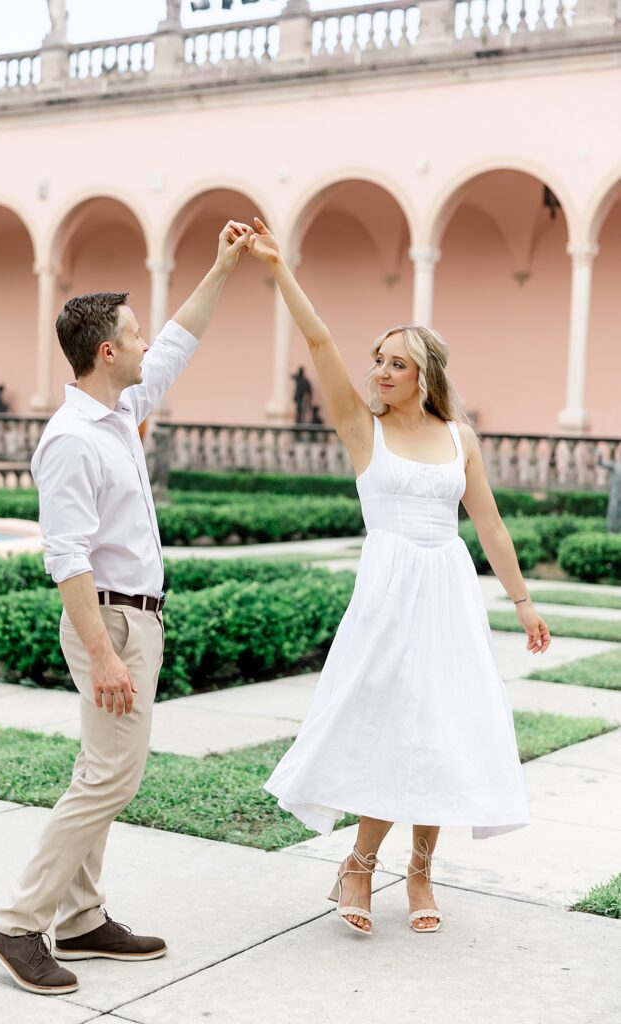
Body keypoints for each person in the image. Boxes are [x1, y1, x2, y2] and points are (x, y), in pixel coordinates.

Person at [244, 217, 551, 937]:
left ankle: (418, 872)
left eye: (396, 363)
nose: (379, 371)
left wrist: (523, 602)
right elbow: (318, 341)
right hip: (386, 597)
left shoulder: (458, 439)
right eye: (377, 359)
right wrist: (277, 265)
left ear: (426, 376)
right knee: (383, 727)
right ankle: (357, 861)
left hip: (446, 595)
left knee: (440, 730)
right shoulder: (363, 428)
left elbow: (491, 526)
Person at [0, 221, 251, 995]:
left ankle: (82, 917)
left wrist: (225, 264)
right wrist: (102, 652)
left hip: (137, 616)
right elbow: (64, 556)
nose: (142, 345)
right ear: (106, 352)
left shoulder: (120, 408)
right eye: (130, 335)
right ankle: (17, 923)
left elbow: (177, 338)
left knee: (100, 767)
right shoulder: (73, 439)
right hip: (110, 621)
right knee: (111, 778)